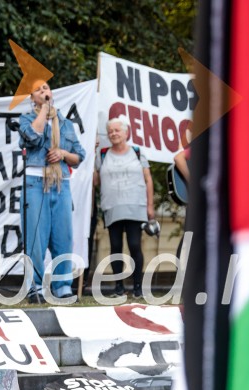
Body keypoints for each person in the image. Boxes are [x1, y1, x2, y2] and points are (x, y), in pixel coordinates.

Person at [18, 80, 86, 303]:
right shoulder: (27, 119)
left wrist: (63, 154)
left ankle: (63, 285)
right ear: (32, 98)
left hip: (61, 184)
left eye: (46, 88)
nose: (43, 91)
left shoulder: (65, 123)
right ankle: (34, 286)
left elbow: (79, 156)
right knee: (35, 237)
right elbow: (33, 137)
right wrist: (45, 111)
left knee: (63, 237)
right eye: (38, 89)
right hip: (35, 183)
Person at [93, 116, 155, 298]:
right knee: (115, 246)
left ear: (126, 132)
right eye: (110, 131)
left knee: (135, 245)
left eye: (116, 130)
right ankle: (119, 287)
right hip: (112, 207)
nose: (113, 134)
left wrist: (150, 205)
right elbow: (95, 180)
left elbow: (148, 178)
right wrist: (90, 154)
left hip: (135, 206)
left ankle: (137, 287)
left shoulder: (137, 151)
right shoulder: (102, 154)